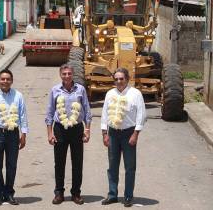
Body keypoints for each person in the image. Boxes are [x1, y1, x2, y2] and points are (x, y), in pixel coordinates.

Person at [45, 64, 92, 205]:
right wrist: (50, 133)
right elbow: (49, 112)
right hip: (60, 129)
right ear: (60, 75)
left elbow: (87, 111)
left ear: (73, 75)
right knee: (59, 163)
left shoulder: (81, 89)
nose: (67, 76)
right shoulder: (55, 90)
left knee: (77, 162)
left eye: (69, 73)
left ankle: (76, 193)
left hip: (77, 129)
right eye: (64, 74)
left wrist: (87, 130)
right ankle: (59, 193)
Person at [100, 68, 146, 207]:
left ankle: (128, 196)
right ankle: (112, 195)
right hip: (113, 133)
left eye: (121, 78)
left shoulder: (136, 94)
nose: (119, 81)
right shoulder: (110, 93)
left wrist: (136, 134)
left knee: (130, 167)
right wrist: (104, 133)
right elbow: (104, 114)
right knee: (112, 165)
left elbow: (141, 115)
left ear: (127, 79)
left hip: (129, 133)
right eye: (116, 79)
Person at [0, 69, 28, 206]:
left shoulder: (18, 96)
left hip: (13, 134)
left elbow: (23, 116)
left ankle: (9, 193)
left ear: (12, 81)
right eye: (2, 79)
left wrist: (23, 135)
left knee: (11, 165)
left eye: (8, 79)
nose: (5, 81)